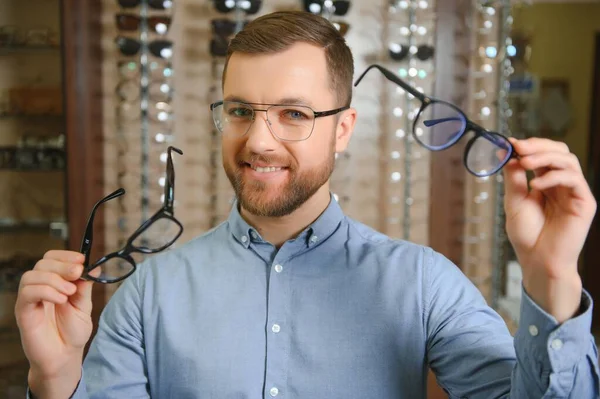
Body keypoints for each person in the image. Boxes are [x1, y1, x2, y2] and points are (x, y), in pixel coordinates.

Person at [15, 10, 599, 399]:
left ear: (343, 129)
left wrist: (551, 276)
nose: (259, 140)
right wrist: (58, 377)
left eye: (294, 114)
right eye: (240, 111)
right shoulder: (147, 295)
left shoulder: (425, 285)